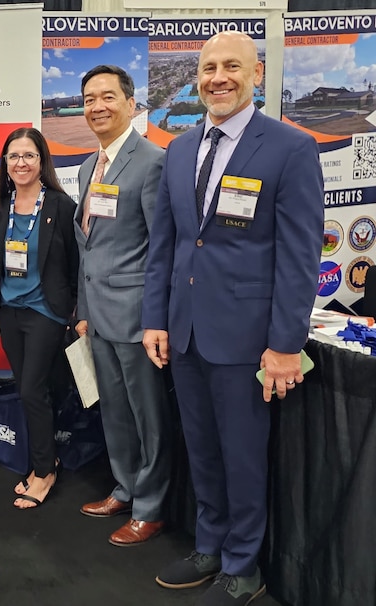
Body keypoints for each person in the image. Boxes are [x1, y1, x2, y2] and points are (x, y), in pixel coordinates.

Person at [142, 32, 322, 605]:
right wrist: (157, 319)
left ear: (257, 75)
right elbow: (166, 247)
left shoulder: (290, 148)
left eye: (231, 67)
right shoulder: (178, 147)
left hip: (247, 338)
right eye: (208, 68)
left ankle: (244, 566)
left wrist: (286, 344)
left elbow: (299, 256)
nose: (218, 77)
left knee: (243, 456)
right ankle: (210, 544)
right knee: (202, 448)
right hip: (187, 331)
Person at [74, 65, 171, 545]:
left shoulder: (152, 161)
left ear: (131, 104)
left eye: (107, 97)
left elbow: (161, 248)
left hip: (137, 319)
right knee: (113, 410)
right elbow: (87, 246)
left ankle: (151, 506)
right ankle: (125, 486)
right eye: (89, 98)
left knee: (147, 416)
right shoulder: (88, 166)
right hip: (98, 314)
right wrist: (83, 311)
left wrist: (157, 318)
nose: (97, 107)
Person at [0, 127, 78, 509]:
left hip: (46, 311)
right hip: (11, 310)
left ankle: (44, 472)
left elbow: (75, 265)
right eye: (13, 156)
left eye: (28, 155)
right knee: (32, 390)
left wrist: (75, 311)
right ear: (5, 164)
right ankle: (44, 459)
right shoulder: (2, 204)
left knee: (31, 389)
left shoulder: (60, 206)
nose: (21, 163)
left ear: (42, 161)